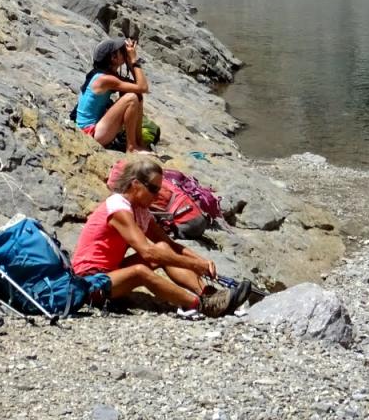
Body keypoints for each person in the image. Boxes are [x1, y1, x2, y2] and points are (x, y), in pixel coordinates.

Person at [71, 157, 250, 317]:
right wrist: (194, 265)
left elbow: (168, 244)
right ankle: (199, 305)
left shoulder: (141, 210)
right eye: (153, 189)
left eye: (159, 189)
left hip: (111, 272)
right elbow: (148, 252)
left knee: (164, 250)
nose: (157, 195)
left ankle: (209, 294)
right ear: (135, 185)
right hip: (89, 282)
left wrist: (202, 261)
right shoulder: (118, 208)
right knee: (140, 271)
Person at [75, 37, 150, 153]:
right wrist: (134, 60)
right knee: (131, 98)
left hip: (96, 130)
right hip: (90, 133)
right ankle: (132, 147)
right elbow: (143, 87)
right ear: (113, 58)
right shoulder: (105, 79)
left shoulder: (106, 74)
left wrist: (130, 64)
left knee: (136, 95)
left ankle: (139, 142)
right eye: (121, 51)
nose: (125, 52)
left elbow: (139, 88)